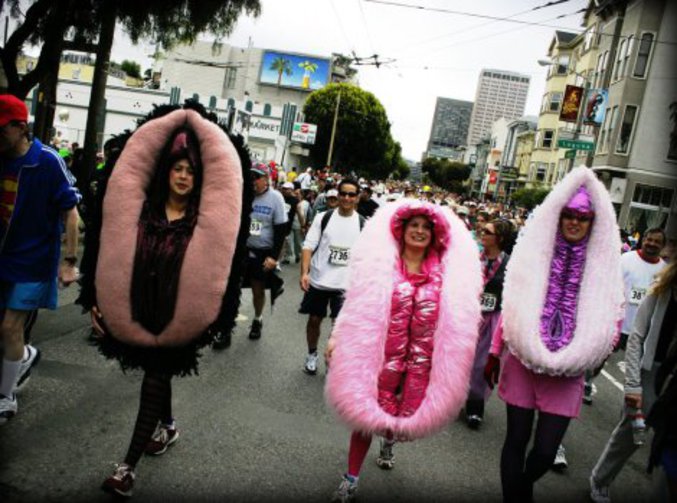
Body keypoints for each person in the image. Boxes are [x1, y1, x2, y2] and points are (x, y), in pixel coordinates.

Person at [77, 104, 250, 496]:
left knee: (155, 379)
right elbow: (107, 250)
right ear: (167, 172)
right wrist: (97, 297)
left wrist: (214, 316)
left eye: (191, 171)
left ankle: (127, 467)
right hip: (141, 309)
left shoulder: (203, 221)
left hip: (179, 315)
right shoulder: (144, 211)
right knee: (158, 375)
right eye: (178, 169)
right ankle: (168, 427)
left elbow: (227, 263)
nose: (184, 176)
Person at [325, 200, 482, 502]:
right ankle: (351, 478)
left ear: (434, 235)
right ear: (403, 229)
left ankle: (389, 441)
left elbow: (459, 317)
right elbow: (355, 300)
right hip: (379, 353)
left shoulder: (444, 272)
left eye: (426, 227)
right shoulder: (382, 264)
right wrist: (336, 336)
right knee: (365, 416)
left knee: (401, 409)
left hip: (421, 358)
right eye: (414, 226)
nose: (420, 232)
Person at [486, 167, 624, 503]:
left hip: (568, 371)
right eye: (569, 215)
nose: (574, 222)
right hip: (522, 360)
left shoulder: (603, 263)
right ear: (559, 216)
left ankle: (520, 488)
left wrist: (602, 346)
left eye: (583, 217)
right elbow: (514, 301)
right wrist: (493, 351)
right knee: (516, 439)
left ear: (593, 222)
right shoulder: (538, 250)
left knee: (546, 452)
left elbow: (611, 311)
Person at [0, 94, 81, 423]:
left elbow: (71, 213)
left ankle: (6, 398)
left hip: (35, 260)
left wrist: (70, 261)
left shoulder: (46, 160)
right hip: (4, 255)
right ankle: (25, 356)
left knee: (10, 327)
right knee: (4, 332)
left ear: (21, 127)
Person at [590, 258, 676, 503]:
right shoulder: (659, 292)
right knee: (630, 434)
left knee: (668, 444)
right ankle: (600, 480)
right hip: (649, 373)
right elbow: (636, 338)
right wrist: (632, 384)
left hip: (673, 382)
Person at [583, 227, 667, 406]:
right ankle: (587, 381)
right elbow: (609, 286)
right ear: (643, 239)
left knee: (636, 369)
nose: (651, 244)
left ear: (663, 246)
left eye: (656, 242)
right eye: (649, 239)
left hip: (643, 330)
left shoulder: (664, 271)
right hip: (618, 322)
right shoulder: (626, 259)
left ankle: (630, 402)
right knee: (601, 357)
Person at [299, 179, 364, 375]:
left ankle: (332, 358)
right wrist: (304, 272)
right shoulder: (323, 217)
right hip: (319, 280)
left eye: (351, 194)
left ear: (357, 198)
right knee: (314, 320)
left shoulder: (363, 223)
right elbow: (308, 246)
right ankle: (312, 354)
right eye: (343, 193)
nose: (346, 198)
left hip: (345, 284)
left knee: (338, 327)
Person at [465, 219, 513, 429]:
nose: (482, 233)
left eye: (488, 232)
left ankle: (476, 406)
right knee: (462, 360)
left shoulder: (510, 264)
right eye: (483, 230)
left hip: (492, 318)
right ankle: (457, 397)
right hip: (468, 315)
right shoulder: (472, 258)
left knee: (482, 363)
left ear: (499, 238)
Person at [242, 163, 288, 340]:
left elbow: (281, 230)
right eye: (251, 177)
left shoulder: (275, 198)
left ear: (267, 179)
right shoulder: (245, 195)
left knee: (257, 289)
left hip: (262, 251)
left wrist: (273, 258)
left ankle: (257, 318)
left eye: (257, 177)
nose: (253, 181)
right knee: (231, 289)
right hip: (243, 250)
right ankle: (226, 327)